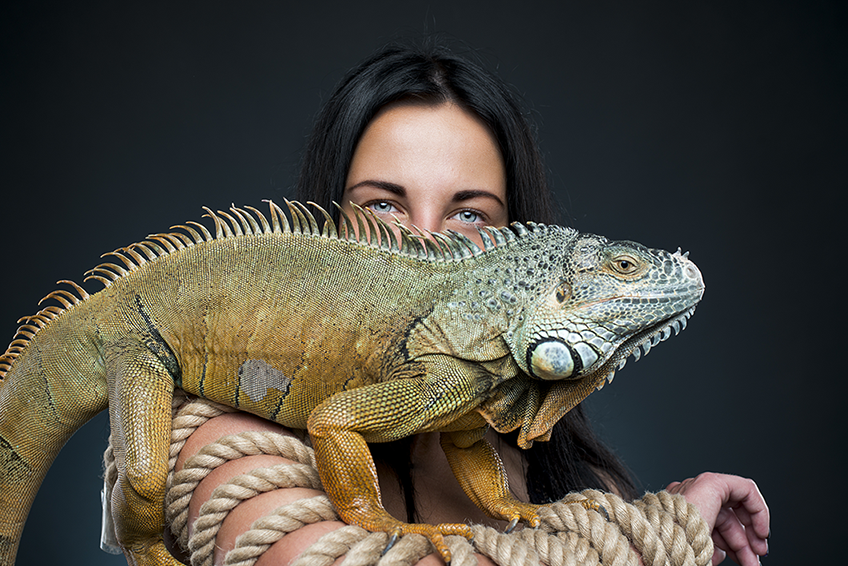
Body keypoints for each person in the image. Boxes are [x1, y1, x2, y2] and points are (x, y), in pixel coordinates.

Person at [165, 43, 770, 566]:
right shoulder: (230, 426)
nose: (424, 239)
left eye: (468, 215)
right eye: (383, 206)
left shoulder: (579, 487)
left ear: (523, 256)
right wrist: (654, 539)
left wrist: (666, 528)